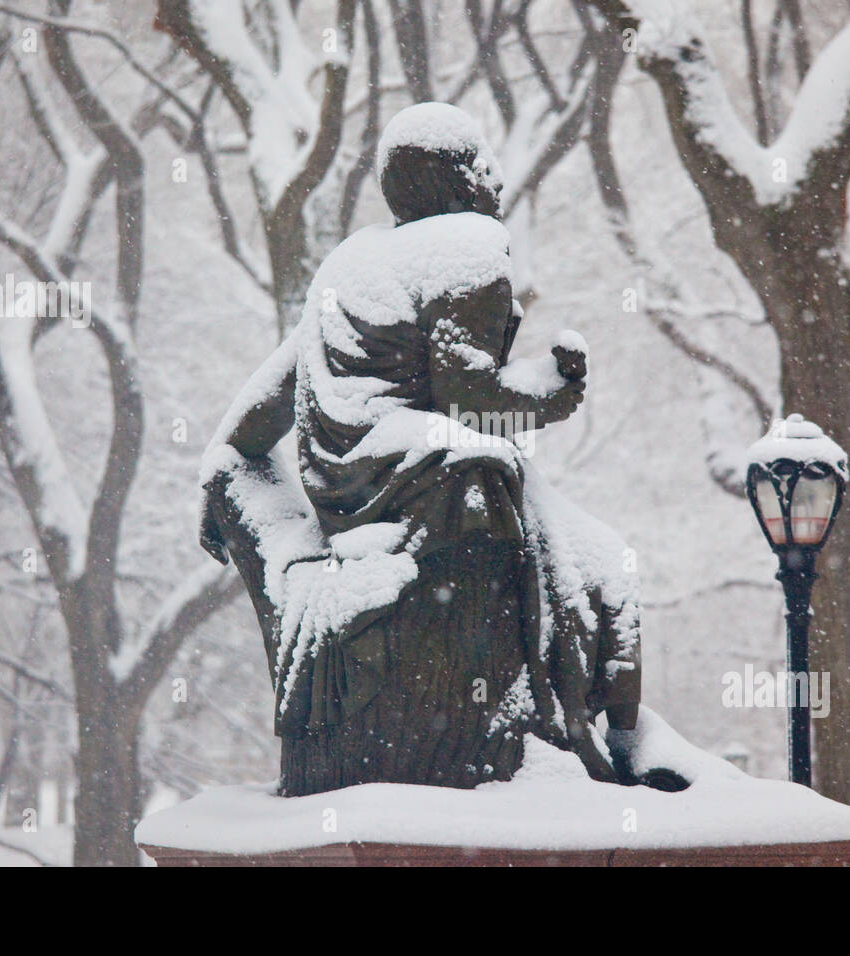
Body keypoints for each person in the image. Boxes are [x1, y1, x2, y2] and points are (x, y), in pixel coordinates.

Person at [200, 103, 642, 796]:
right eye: (483, 163)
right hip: (432, 488)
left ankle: (606, 735)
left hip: (348, 502)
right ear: (459, 179)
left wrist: (220, 466)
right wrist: (552, 397)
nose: (495, 176)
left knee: (579, 556)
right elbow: (472, 400)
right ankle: (616, 746)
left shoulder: (347, 265)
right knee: (606, 569)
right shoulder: (469, 246)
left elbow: (271, 402)